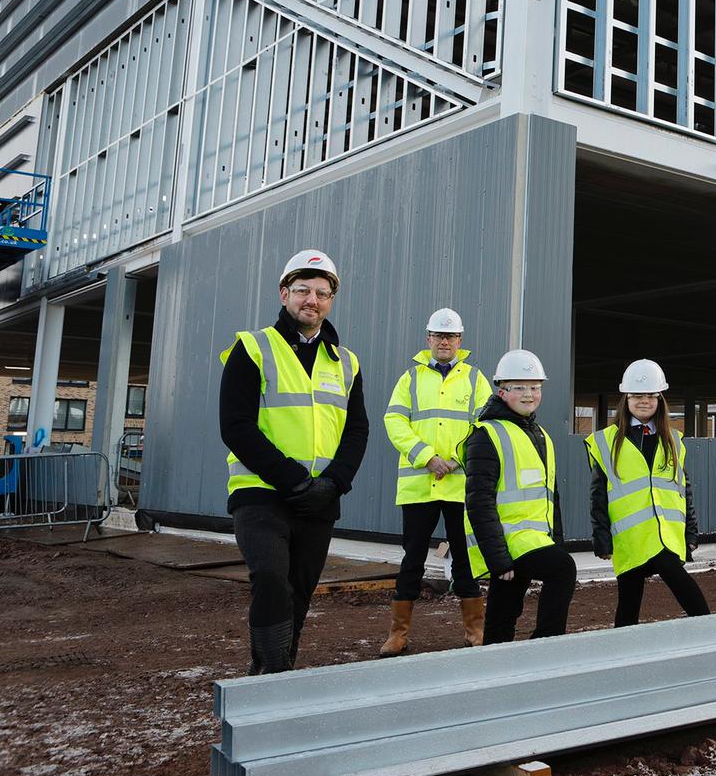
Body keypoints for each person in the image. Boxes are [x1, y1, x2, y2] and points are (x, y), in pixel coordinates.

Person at [218, 249, 368, 673]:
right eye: (303, 290)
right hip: (261, 493)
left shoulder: (347, 362)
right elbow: (236, 426)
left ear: (330, 301)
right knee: (269, 579)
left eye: (323, 293)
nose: (312, 300)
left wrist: (334, 482)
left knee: (299, 593)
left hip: (319, 500)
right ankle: (270, 674)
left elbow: (358, 430)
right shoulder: (252, 347)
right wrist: (294, 480)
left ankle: (274, 677)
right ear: (284, 293)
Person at [377, 308, 491, 655]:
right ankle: (398, 634)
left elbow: (484, 424)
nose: (445, 341)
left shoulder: (475, 379)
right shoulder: (410, 378)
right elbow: (394, 421)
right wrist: (427, 456)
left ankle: (475, 631)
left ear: (460, 340)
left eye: (451, 336)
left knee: (466, 559)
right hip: (419, 484)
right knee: (412, 558)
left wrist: (456, 458)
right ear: (428, 339)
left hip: (459, 485)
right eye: (439, 336)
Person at [462, 349, 577, 643]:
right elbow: (479, 502)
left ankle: (496, 663)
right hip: (508, 541)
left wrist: (556, 542)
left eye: (535, 387)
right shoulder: (485, 434)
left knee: (503, 610)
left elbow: (551, 498)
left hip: (532, 539)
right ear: (502, 392)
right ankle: (544, 649)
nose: (529, 394)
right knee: (562, 570)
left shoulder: (541, 435)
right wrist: (498, 559)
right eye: (520, 387)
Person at [586, 359, 709, 626]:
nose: (644, 401)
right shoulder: (606, 442)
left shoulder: (674, 440)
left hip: (664, 536)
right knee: (628, 601)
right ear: (626, 399)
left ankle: (709, 629)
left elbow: (683, 490)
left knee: (678, 579)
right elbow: (598, 496)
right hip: (630, 539)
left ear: (660, 399)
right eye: (637, 396)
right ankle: (623, 654)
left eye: (651, 396)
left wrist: (691, 532)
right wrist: (601, 538)